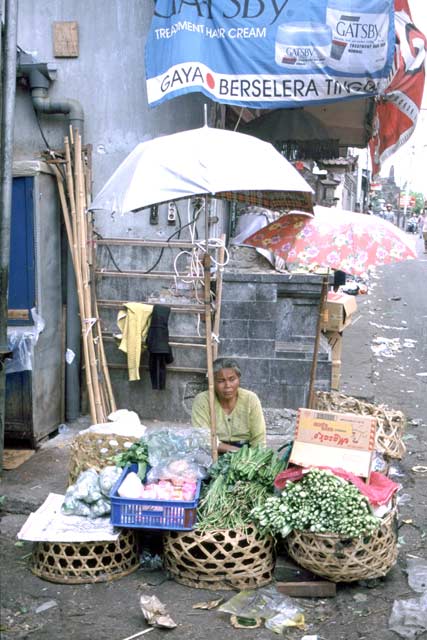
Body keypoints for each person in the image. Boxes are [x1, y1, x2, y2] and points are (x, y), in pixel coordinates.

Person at [191, 357, 267, 453]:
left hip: (246, 453)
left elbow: (259, 439)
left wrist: (254, 456)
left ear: (238, 379)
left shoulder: (250, 399)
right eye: (221, 381)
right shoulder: (202, 400)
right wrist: (237, 451)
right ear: (212, 382)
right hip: (213, 451)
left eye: (232, 379)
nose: (227, 385)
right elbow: (203, 438)